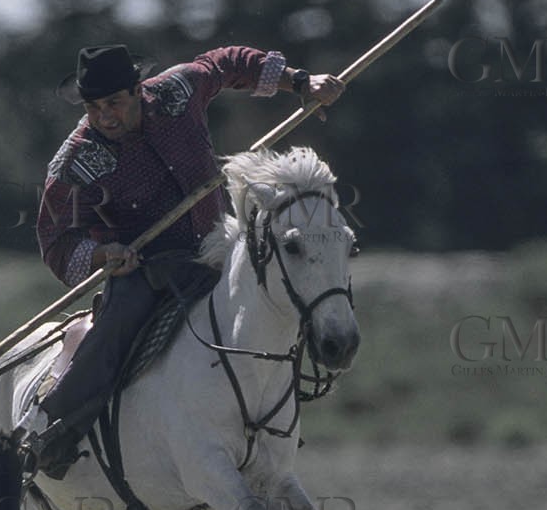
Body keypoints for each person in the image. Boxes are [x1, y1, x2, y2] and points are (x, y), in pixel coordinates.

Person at [28, 43, 345, 478]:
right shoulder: (75, 161)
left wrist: (300, 81)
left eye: (114, 103)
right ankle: (52, 434)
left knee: (279, 298)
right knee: (113, 333)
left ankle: (273, 428)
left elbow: (226, 63)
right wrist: (102, 254)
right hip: (146, 271)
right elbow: (55, 240)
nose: (104, 117)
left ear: (138, 90)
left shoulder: (177, 90)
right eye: (93, 107)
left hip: (219, 248)